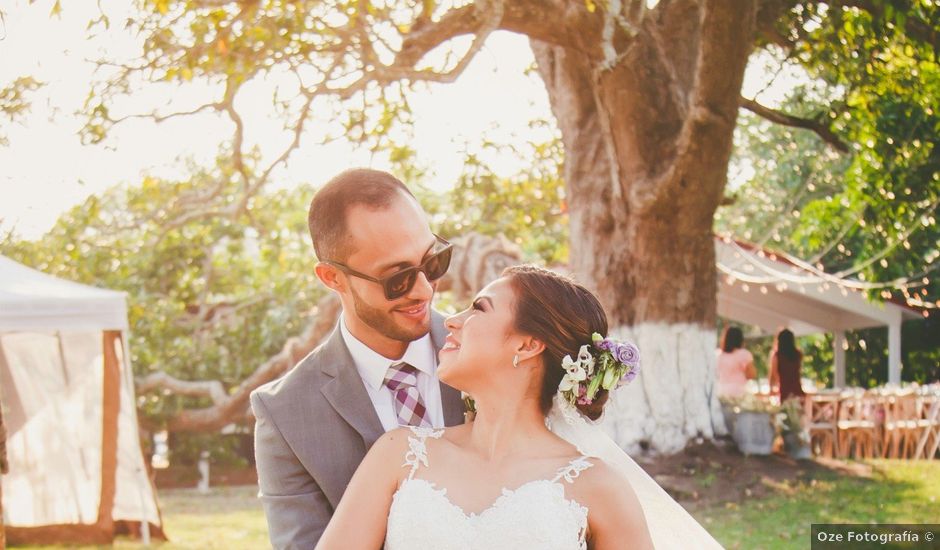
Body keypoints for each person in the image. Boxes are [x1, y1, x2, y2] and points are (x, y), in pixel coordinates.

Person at [317, 266, 720, 549]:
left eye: (479, 308)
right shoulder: (398, 454)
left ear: (527, 345)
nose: (451, 321)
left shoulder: (598, 487)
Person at [250, 169, 466, 548]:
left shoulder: (497, 354)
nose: (424, 289)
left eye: (433, 263)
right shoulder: (284, 414)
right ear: (332, 278)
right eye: (396, 279)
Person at [715, 326, 756, 400]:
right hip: (738, 393)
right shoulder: (744, 354)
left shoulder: (718, 355)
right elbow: (751, 375)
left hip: (721, 392)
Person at [769, 328, 805, 402]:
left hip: (784, 390)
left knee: (786, 412)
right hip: (797, 389)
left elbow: (774, 374)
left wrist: (771, 388)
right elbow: (799, 371)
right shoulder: (798, 354)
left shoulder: (777, 356)